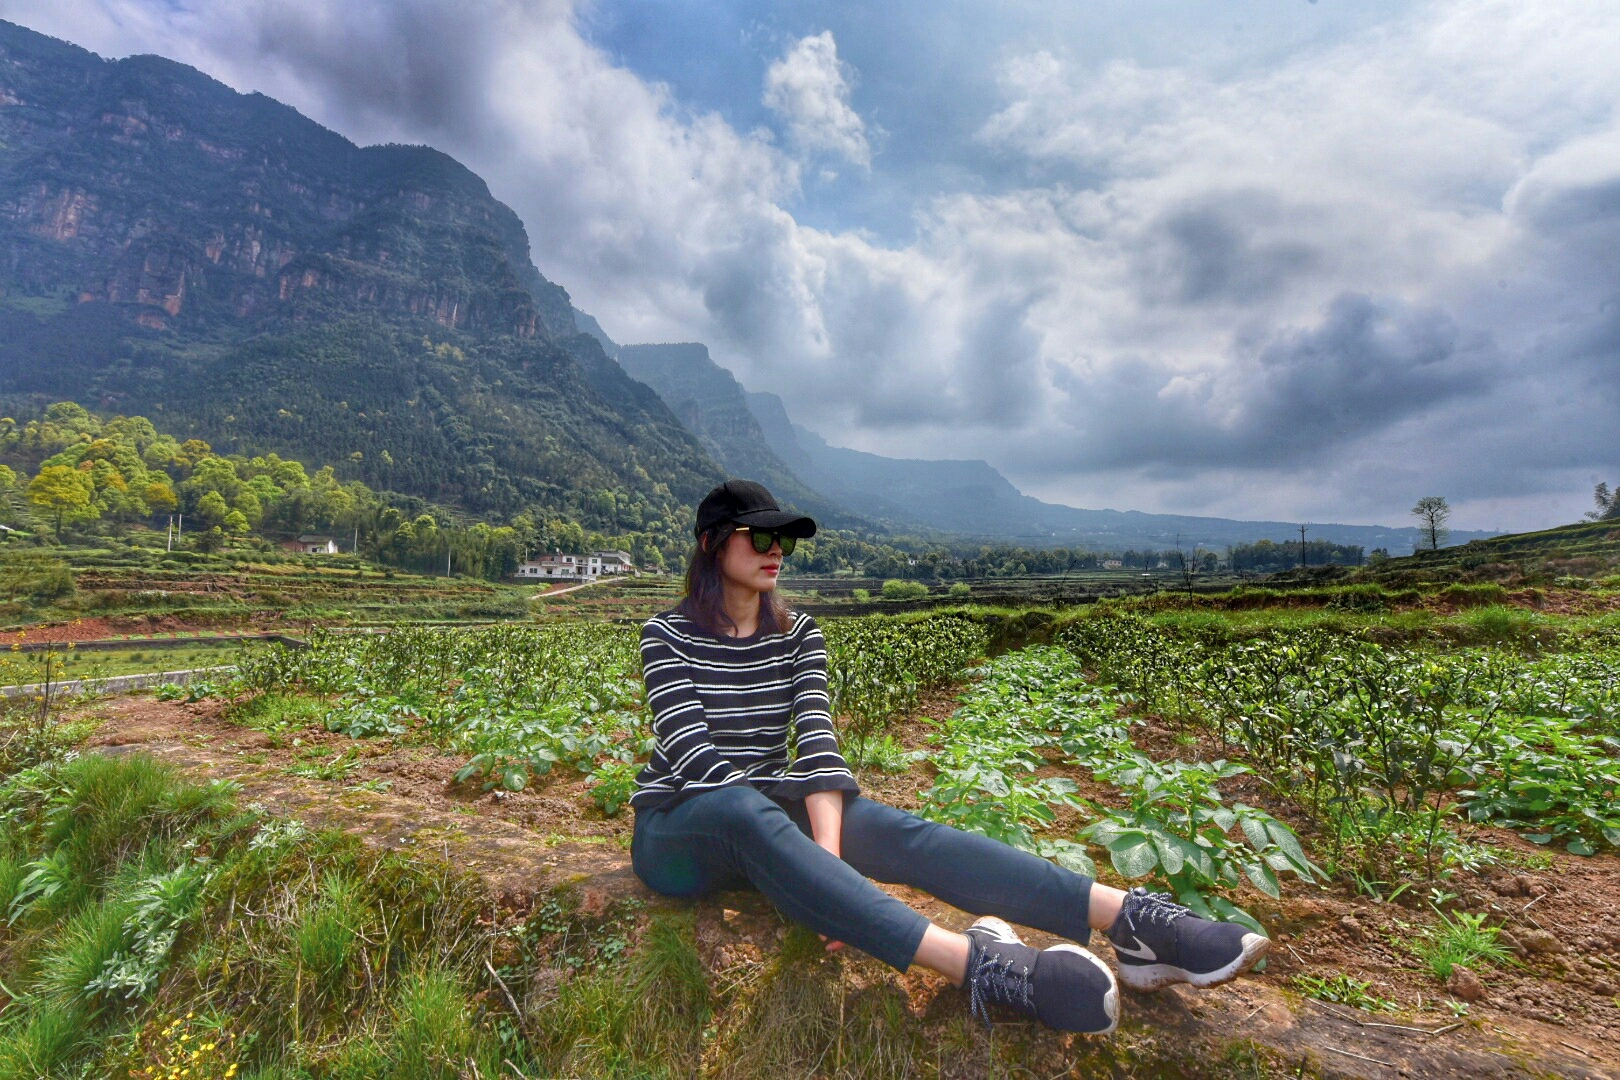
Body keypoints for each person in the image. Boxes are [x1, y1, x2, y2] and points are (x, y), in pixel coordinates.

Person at [629, 479, 1270, 1034]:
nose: (776, 553)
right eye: (759, 539)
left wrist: (824, 863)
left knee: (894, 828)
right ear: (714, 543)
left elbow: (818, 746)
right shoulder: (667, 636)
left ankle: (1127, 919)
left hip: (768, 820)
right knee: (741, 806)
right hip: (685, 832)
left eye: (784, 542)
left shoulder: (798, 633)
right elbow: (699, 763)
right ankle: (976, 965)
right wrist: (823, 881)